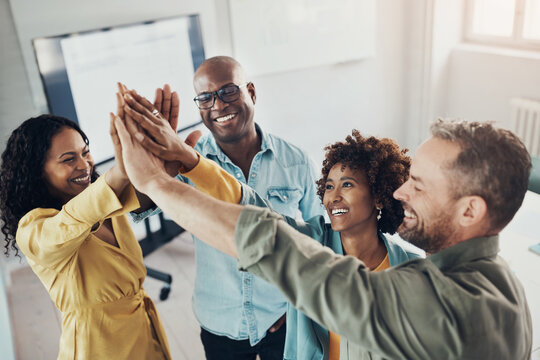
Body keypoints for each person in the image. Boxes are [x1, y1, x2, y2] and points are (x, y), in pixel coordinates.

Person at [114, 116, 533, 359]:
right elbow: (263, 217)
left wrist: (156, 183)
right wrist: (192, 161)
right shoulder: (499, 282)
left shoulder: (444, 300)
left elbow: (279, 248)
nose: (402, 192)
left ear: (470, 210)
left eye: (419, 185)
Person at [120, 92, 424, 360]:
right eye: (329, 186)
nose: (334, 197)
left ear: (379, 195)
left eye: (347, 184)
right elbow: (250, 207)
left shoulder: (412, 269)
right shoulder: (312, 243)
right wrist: (186, 163)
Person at [126, 55, 325, 359]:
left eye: (229, 91)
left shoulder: (295, 161)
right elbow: (140, 211)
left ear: (252, 93)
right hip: (220, 322)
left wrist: (299, 303)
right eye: (205, 98)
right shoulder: (186, 160)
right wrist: (156, 173)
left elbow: (322, 238)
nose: (218, 105)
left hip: (283, 316)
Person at [0, 114, 171, 360]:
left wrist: (161, 153)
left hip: (144, 332)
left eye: (85, 152)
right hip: (98, 346)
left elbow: (147, 191)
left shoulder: (103, 201)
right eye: (69, 159)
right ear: (37, 173)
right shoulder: (33, 230)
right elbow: (70, 223)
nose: (84, 165)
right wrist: (120, 171)